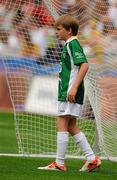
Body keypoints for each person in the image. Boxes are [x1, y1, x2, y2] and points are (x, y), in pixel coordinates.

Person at [38, 14, 101, 172]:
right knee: (71, 125)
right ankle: (92, 159)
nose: (56, 32)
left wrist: (73, 87)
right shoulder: (68, 44)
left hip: (69, 91)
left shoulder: (73, 44)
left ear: (69, 30)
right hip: (67, 90)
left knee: (62, 122)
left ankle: (59, 163)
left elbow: (84, 65)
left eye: (58, 29)